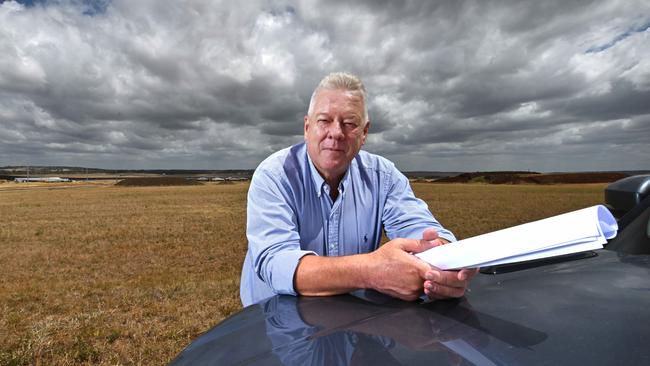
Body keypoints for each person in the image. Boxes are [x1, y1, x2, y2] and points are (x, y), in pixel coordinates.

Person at [240, 72, 476, 306]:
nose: (336, 133)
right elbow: (276, 264)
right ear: (307, 127)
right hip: (273, 322)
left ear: (364, 133)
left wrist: (445, 261)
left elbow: (421, 229)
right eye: (324, 120)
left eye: (350, 123)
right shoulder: (274, 175)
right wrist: (370, 271)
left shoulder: (383, 176)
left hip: (349, 319)